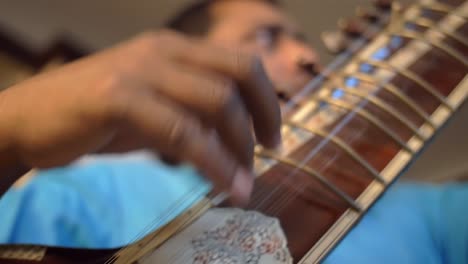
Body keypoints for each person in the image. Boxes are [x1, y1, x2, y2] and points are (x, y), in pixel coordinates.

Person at [0, 0, 467, 263]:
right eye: (265, 38)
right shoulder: (79, 185)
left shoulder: (429, 206)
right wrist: (9, 125)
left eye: (303, 38)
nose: (307, 57)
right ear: (183, 63)